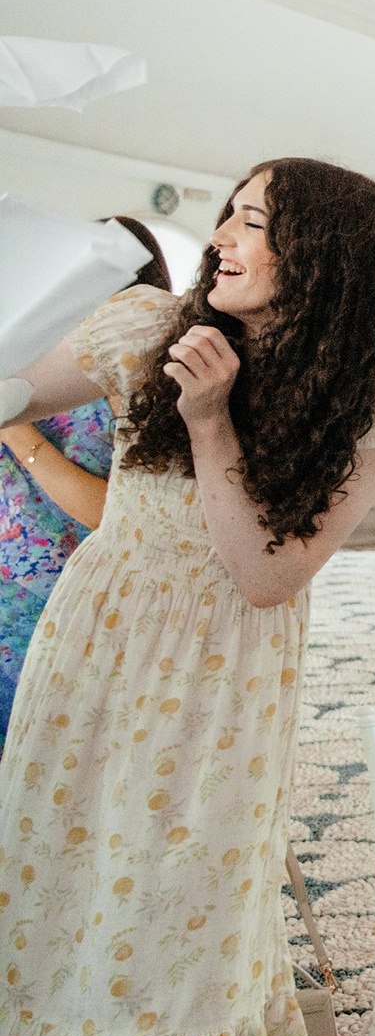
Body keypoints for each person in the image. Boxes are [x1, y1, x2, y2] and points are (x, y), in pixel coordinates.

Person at [0, 165, 375, 1036]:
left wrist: (210, 424)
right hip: (101, 645)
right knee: (59, 864)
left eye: (254, 220)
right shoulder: (145, 326)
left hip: (222, 675)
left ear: (320, 256)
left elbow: (264, 572)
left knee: (173, 893)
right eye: (227, 211)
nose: (221, 234)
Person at [0, 218, 169, 732]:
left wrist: (17, 433)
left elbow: (117, 512)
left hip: (68, 603)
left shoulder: (136, 377)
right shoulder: (25, 353)